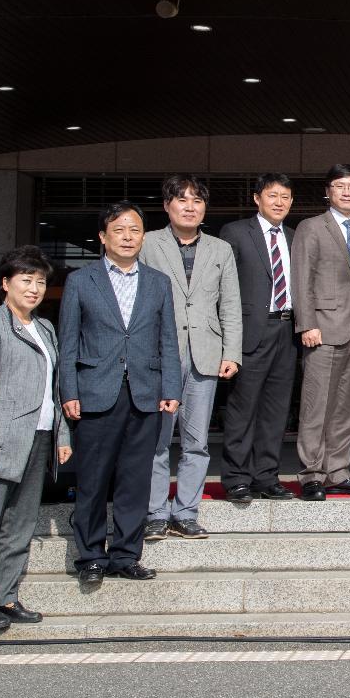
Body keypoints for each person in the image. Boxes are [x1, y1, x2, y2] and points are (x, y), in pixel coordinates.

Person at [59, 202, 181, 584]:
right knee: (93, 479)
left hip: (146, 392)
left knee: (135, 480)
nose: (128, 236)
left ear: (143, 237)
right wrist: (69, 390)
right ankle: (91, 556)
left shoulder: (158, 282)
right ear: (103, 236)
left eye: (135, 230)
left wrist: (171, 388)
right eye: (119, 230)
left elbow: (169, 341)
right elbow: (69, 342)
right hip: (95, 392)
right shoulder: (82, 280)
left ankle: (127, 555)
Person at [0, 247, 72, 630]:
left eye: (40, 281)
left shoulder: (45, 328)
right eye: (26, 279)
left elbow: (54, 389)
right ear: (5, 284)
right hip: (2, 438)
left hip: (39, 435)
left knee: (21, 524)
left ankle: (6, 595)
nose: (34, 288)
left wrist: (62, 433)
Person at [139, 175, 242, 541]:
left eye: (197, 200)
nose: (189, 206)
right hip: (158, 355)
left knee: (196, 441)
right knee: (157, 439)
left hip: (205, 355)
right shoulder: (147, 243)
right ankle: (154, 512)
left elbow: (229, 303)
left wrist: (232, 352)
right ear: (167, 205)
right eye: (181, 200)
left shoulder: (220, 249)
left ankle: (185, 512)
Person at [292, 164, 350, 500]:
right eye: (340, 185)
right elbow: (302, 279)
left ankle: (338, 470)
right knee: (317, 405)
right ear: (327, 190)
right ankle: (312, 474)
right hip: (322, 328)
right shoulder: (311, 228)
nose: (347, 192)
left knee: (347, 406)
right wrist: (307, 323)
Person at [218, 173, 299, 503]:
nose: (279, 202)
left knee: (276, 409)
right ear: (257, 198)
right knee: (242, 407)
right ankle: (237, 477)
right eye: (272, 195)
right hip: (251, 330)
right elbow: (224, 290)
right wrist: (228, 341)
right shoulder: (236, 233)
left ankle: (266, 475)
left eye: (285, 197)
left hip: (287, 329)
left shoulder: (295, 237)